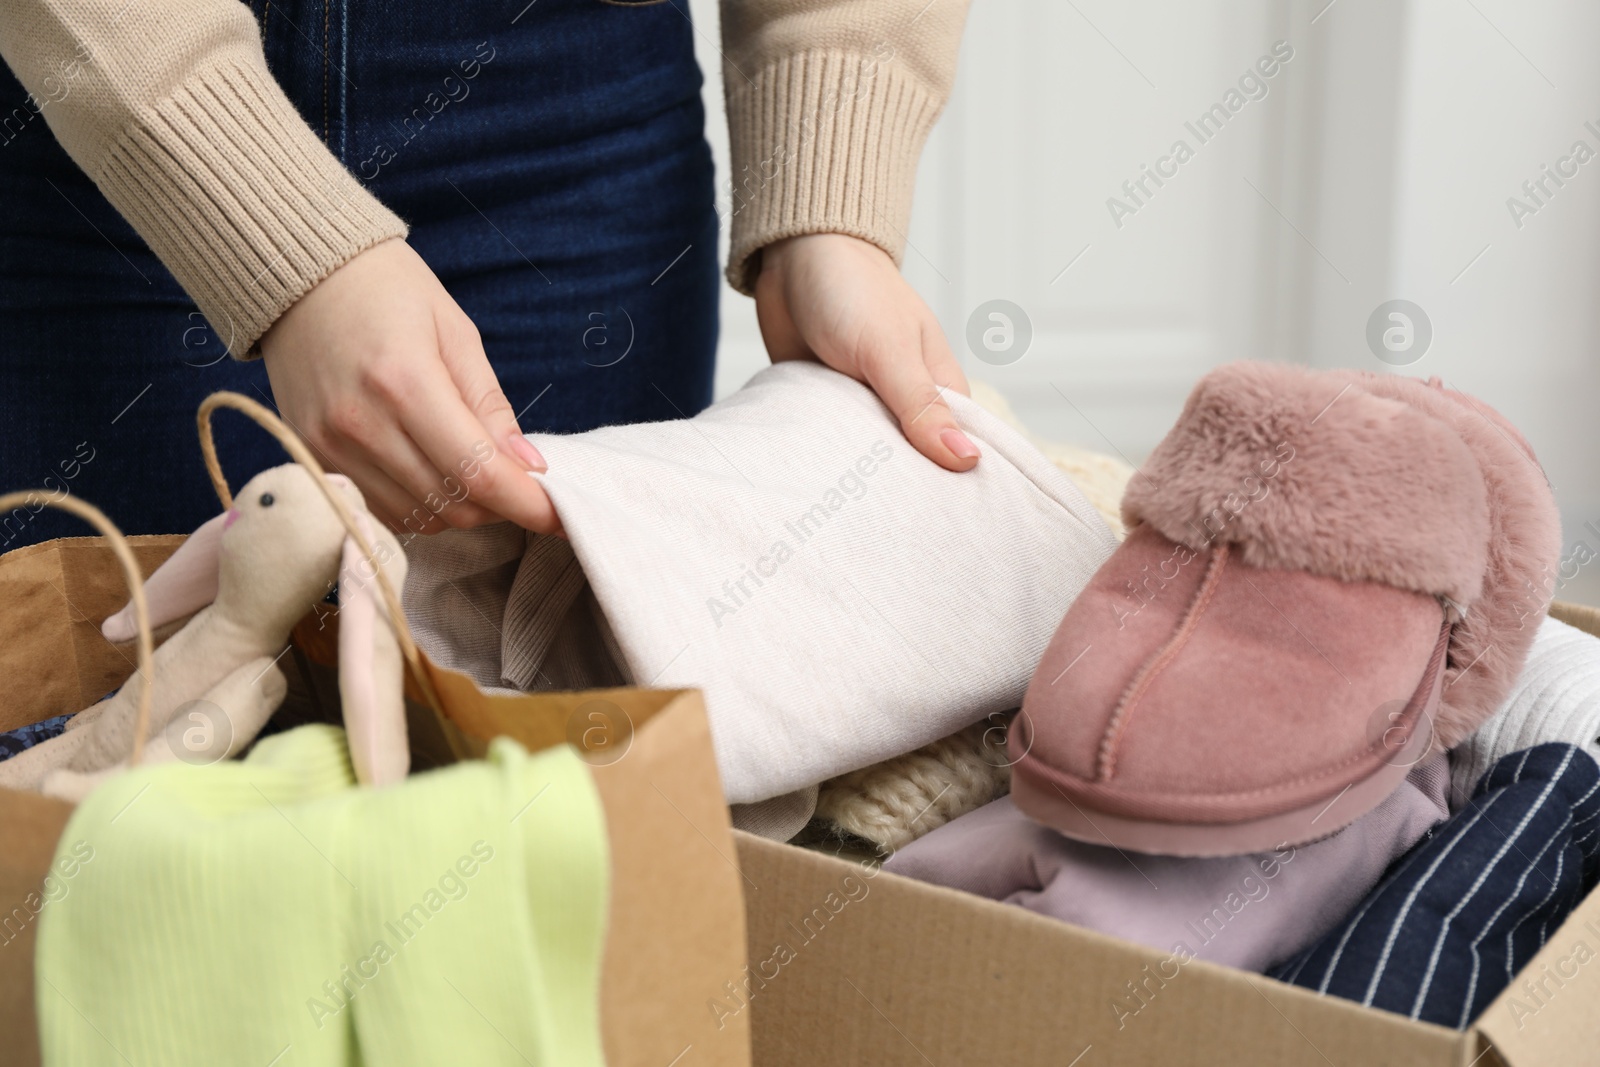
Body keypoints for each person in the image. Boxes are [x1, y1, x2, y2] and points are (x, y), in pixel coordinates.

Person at [0, 0, 976, 549]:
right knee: (106, 826)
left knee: (573, 816)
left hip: (572, 118)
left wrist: (829, 184)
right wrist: (268, 228)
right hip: (93, 129)